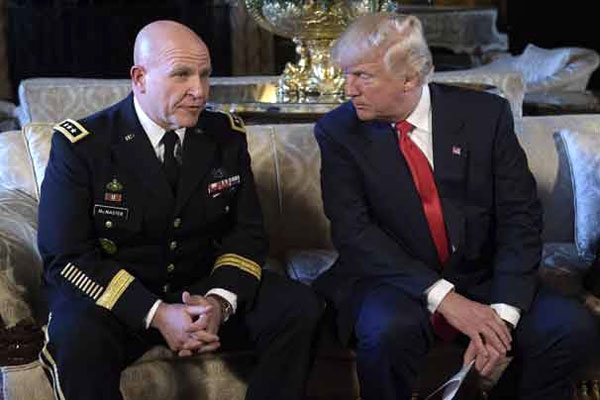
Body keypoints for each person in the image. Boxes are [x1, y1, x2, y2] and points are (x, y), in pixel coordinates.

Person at [313, 13, 598, 400]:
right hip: (393, 281)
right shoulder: (338, 131)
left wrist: (502, 317)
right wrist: (445, 299)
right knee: (387, 332)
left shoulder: (485, 116)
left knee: (569, 328)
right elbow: (354, 234)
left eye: (362, 76)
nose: (349, 89)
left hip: (481, 275)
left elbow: (520, 217)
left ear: (409, 78)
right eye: (346, 75)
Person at [37, 20, 321, 400]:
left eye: (205, 75)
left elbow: (247, 234)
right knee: (78, 336)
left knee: (298, 307)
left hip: (200, 291)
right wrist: (155, 312)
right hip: (120, 302)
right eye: (182, 75)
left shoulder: (225, 135)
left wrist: (218, 302)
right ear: (140, 78)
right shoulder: (83, 146)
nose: (199, 91)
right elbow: (66, 256)